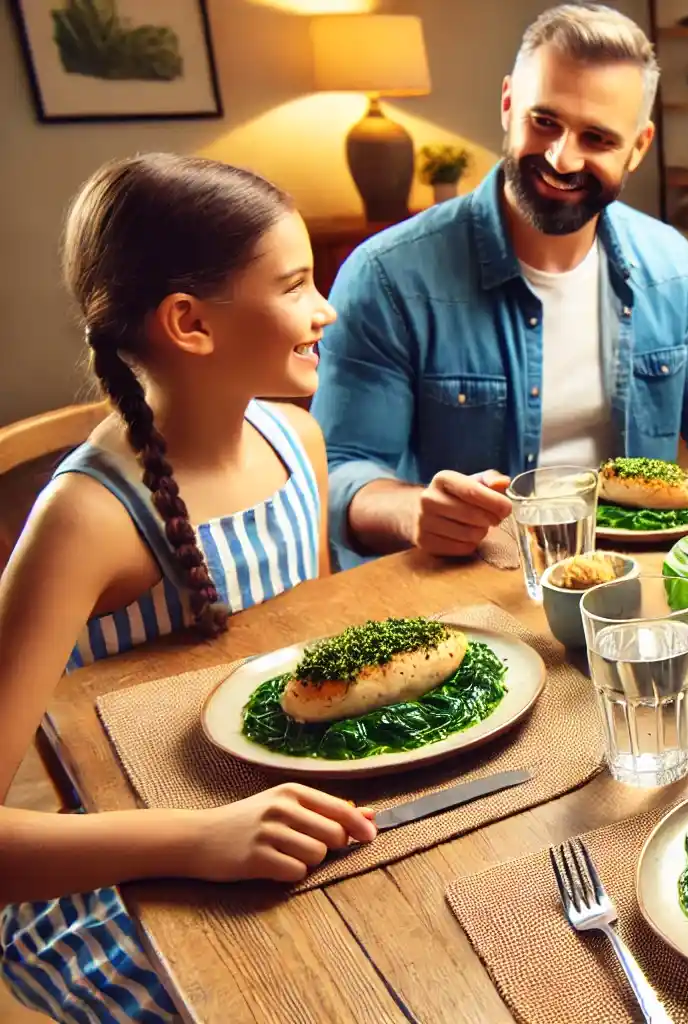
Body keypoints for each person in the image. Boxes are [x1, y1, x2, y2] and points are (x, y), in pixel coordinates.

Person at [0, 155, 379, 1023]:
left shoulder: (297, 440)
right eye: (295, 285)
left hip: (288, 835)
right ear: (189, 323)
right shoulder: (86, 521)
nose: (326, 310)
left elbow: (311, 675)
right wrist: (205, 839)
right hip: (132, 879)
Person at [313, 3, 688, 570]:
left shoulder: (670, 263)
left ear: (639, 146)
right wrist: (412, 511)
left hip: (634, 573)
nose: (561, 157)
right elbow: (342, 472)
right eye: (544, 121)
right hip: (464, 586)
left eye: (597, 138)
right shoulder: (386, 276)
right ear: (508, 105)